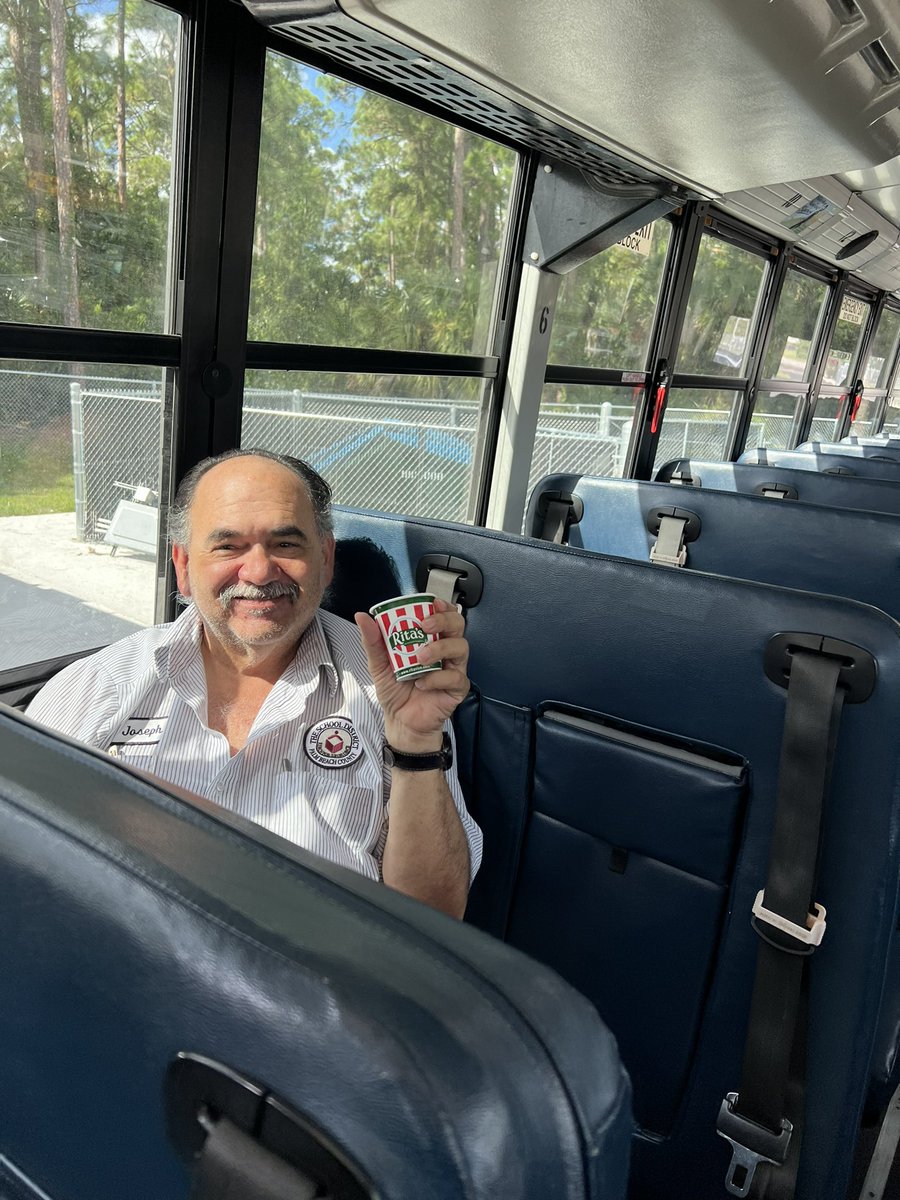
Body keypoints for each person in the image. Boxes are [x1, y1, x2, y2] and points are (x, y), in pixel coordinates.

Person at [27, 449, 481, 917]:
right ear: (183, 566)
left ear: (325, 560)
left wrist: (415, 743)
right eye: (228, 546)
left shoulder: (391, 689)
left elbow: (434, 912)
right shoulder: (101, 684)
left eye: (285, 544)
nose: (260, 572)